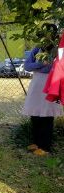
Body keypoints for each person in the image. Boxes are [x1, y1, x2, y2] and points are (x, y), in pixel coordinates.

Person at [22, 25, 63, 156]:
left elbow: (53, 67)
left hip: (51, 83)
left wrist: (40, 67)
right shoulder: (37, 49)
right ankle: (36, 143)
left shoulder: (57, 50)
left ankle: (45, 147)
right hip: (36, 84)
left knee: (46, 116)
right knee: (35, 114)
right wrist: (40, 65)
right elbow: (27, 66)